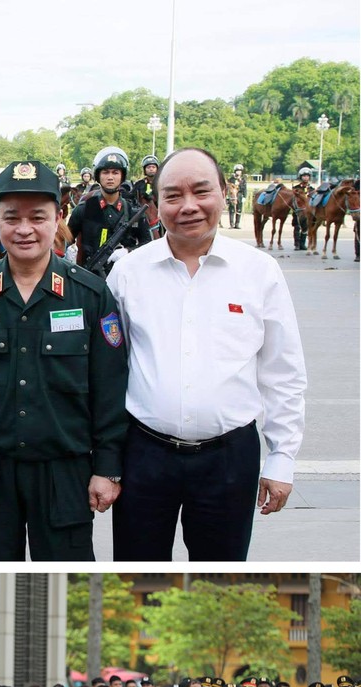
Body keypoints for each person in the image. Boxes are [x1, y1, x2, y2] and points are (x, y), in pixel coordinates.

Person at [108, 147, 307, 561]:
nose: (189, 206)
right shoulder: (129, 272)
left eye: (201, 191)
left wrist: (282, 457)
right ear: (157, 202)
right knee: (137, 584)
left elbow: (282, 372)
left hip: (229, 459)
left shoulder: (258, 271)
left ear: (224, 191)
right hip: (144, 456)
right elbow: (109, 369)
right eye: (173, 195)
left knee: (220, 589)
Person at [0, 161, 127, 561]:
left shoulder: (90, 295)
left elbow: (111, 387)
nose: (24, 229)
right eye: (12, 217)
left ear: (58, 218)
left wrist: (107, 466)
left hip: (66, 471)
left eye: (37, 217)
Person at [67, 146, 152, 272]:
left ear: (122, 176)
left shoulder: (133, 211)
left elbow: (148, 245)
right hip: (89, 278)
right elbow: (65, 240)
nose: (110, 177)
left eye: (115, 172)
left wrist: (128, 251)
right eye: (105, 172)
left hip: (125, 278)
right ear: (98, 176)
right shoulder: (84, 210)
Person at [291, 166, 313, 250]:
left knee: (305, 227)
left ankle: (302, 244)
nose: (306, 177)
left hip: (307, 211)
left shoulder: (311, 189)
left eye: (307, 176)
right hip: (298, 211)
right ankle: (296, 244)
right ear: (300, 177)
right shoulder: (296, 188)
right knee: (297, 227)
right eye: (304, 176)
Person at [229, 164, 247, 228]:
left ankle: (237, 224)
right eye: (237, 171)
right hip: (233, 196)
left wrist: (244, 196)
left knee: (239, 210)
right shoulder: (231, 179)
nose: (239, 172)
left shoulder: (243, 180)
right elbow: (229, 187)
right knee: (232, 210)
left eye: (240, 171)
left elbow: (245, 188)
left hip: (239, 195)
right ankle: (231, 224)